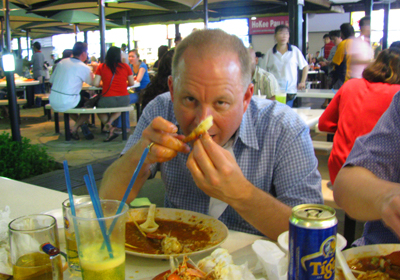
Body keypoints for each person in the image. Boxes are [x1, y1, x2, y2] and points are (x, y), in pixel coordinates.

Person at [99, 29, 323, 240]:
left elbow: (314, 235)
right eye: (189, 99)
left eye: (221, 102)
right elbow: (107, 201)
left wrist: (241, 194)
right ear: (173, 90)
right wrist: (140, 156)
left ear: (246, 97)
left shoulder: (283, 127)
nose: (202, 122)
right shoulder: (160, 111)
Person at [319, 48, 400, 185]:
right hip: (377, 178)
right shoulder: (396, 94)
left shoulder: (350, 85)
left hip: (340, 171)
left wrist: (348, 125)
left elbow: (324, 124)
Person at [334, 88, 400, 246]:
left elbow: (325, 123)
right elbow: (346, 185)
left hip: (336, 161)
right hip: (380, 256)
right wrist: (387, 197)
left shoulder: (351, 86)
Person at [49, 42, 94, 140]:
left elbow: (51, 80)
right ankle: (75, 128)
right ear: (83, 54)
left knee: (74, 100)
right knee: (90, 105)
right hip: (67, 100)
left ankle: (81, 125)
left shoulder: (61, 62)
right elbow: (93, 83)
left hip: (53, 99)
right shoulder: (83, 67)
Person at [93, 46, 135, 142]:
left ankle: (109, 125)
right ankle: (111, 122)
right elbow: (132, 83)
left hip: (107, 99)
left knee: (99, 108)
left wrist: (104, 84)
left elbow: (95, 84)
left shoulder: (102, 66)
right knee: (121, 107)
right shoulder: (126, 66)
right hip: (124, 98)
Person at [264, 25, 309, 107]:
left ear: (289, 36)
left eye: (286, 33)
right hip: (274, 91)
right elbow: (263, 71)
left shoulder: (294, 51)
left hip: (290, 91)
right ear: (275, 36)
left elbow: (305, 66)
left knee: (285, 114)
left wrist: (303, 81)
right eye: (281, 33)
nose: (284, 36)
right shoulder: (270, 53)